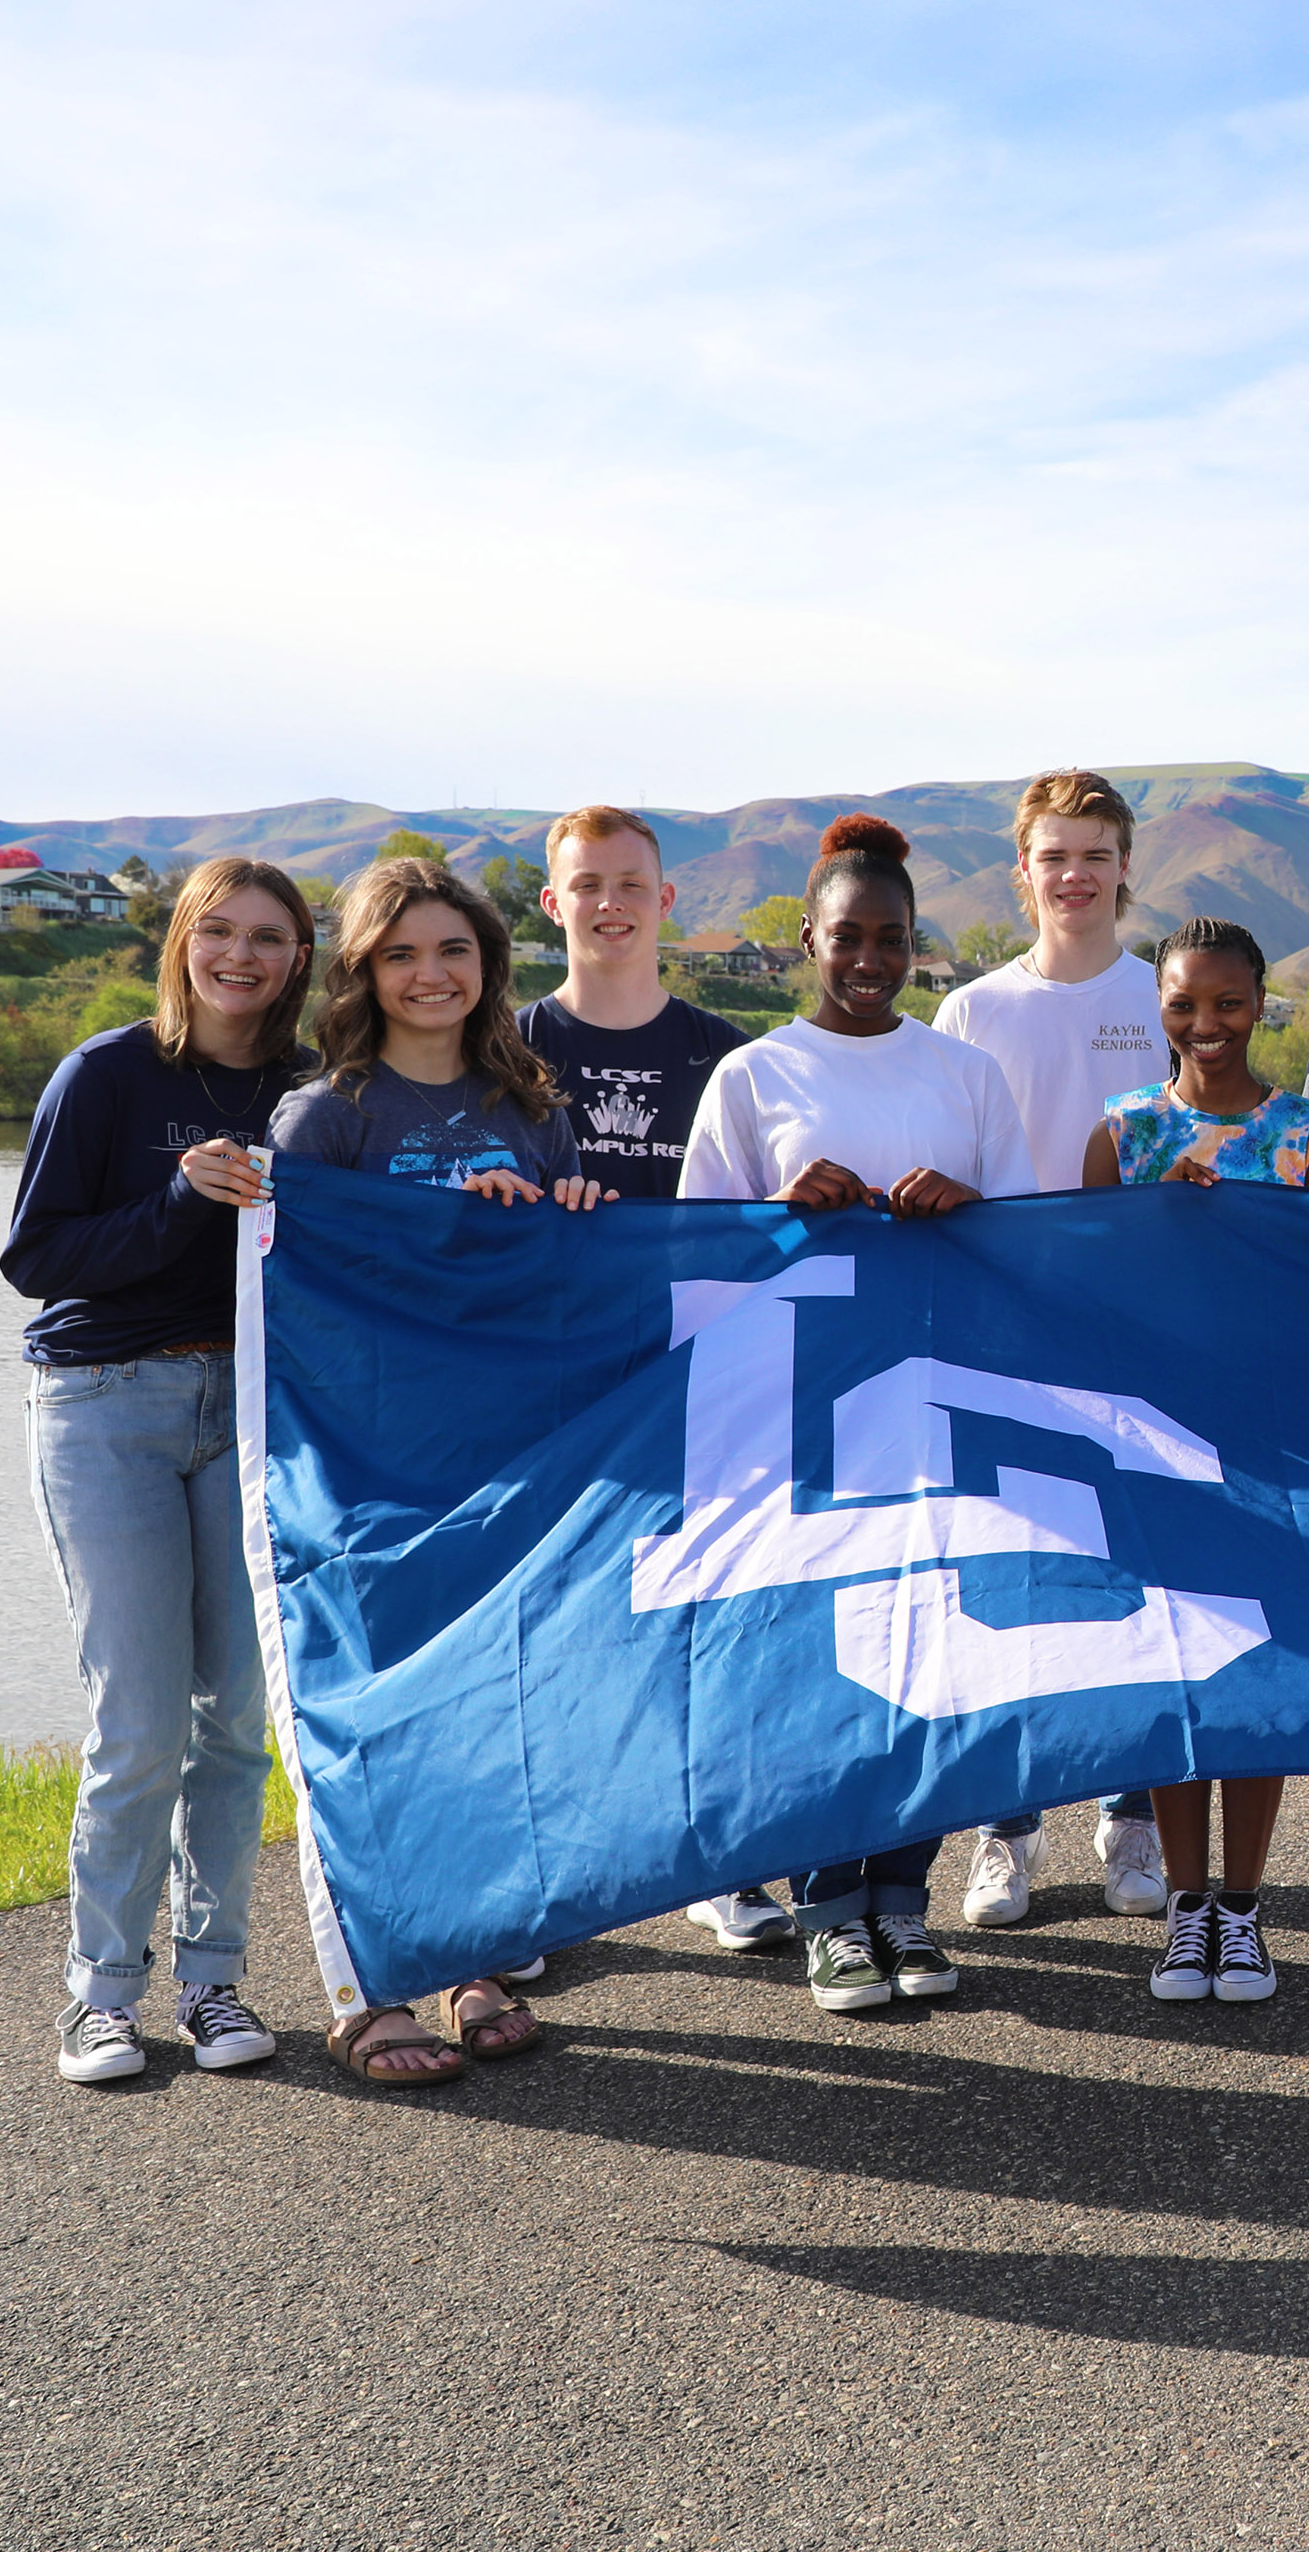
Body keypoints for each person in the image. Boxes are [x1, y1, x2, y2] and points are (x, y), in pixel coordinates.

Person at [676, 815, 1034, 2017]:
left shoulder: (965, 1074)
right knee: (825, 1663)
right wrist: (782, 1214)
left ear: (916, 942)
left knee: (929, 1652)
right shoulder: (753, 1076)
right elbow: (696, 1258)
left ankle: (902, 1898)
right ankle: (833, 1907)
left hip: (934, 1409)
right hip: (802, 1415)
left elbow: (1029, 1248)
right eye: (847, 936)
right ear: (807, 940)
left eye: (891, 937)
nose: (869, 958)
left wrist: (968, 1205)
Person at [268, 857, 608, 2085]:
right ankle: (368, 1991)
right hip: (370, 1461)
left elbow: (556, 1294)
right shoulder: (327, 1118)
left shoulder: (532, 1104)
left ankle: (474, 1959)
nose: (430, 974)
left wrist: (567, 1212)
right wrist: (442, 1229)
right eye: (402, 953)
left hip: (500, 1456)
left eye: (452, 950)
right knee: (374, 1715)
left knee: (484, 1705)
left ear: (487, 965)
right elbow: (303, 1295)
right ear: (364, 971)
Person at [3, 858, 321, 2087]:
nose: (241, 956)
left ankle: (214, 1981)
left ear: (299, 959)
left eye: (269, 938)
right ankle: (100, 1996)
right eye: (219, 931)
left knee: (233, 1720)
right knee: (137, 1723)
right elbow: (36, 1260)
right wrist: (179, 1200)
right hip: (105, 1407)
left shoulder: (310, 1091)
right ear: (181, 939)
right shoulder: (105, 1074)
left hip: (250, 1410)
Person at [509, 805, 783, 1953]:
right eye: (587, 884)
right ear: (552, 902)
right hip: (553, 1369)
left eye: (631, 883)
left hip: (691, 1367)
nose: (609, 903)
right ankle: (545, 1880)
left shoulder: (726, 1054)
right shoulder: (505, 1044)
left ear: (667, 902)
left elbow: (766, 1218)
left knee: (703, 1610)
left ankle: (714, 1857)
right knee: (554, 1615)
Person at [1075, 916, 1309, 2003]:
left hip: (1271, 1447)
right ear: (1159, 1009)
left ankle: (1242, 1906)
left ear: (1261, 1003)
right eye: (1183, 1004)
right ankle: (1185, 1907)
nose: (1207, 1024)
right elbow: (1084, 1291)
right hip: (1152, 1447)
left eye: (1228, 1003)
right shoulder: (1124, 1132)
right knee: (1174, 1667)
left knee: (1257, 1670)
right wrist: (1162, 1229)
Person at [932, 768, 1174, 1928]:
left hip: (1142, 1326)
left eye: (1095, 854)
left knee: (1144, 1565)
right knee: (1014, 1569)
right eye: (1054, 856)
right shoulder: (973, 1009)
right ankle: (1006, 1826)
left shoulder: (1162, 994)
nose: (1074, 875)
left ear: (1125, 868)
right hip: (1004, 1328)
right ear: (1021, 872)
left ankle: (1133, 1814)